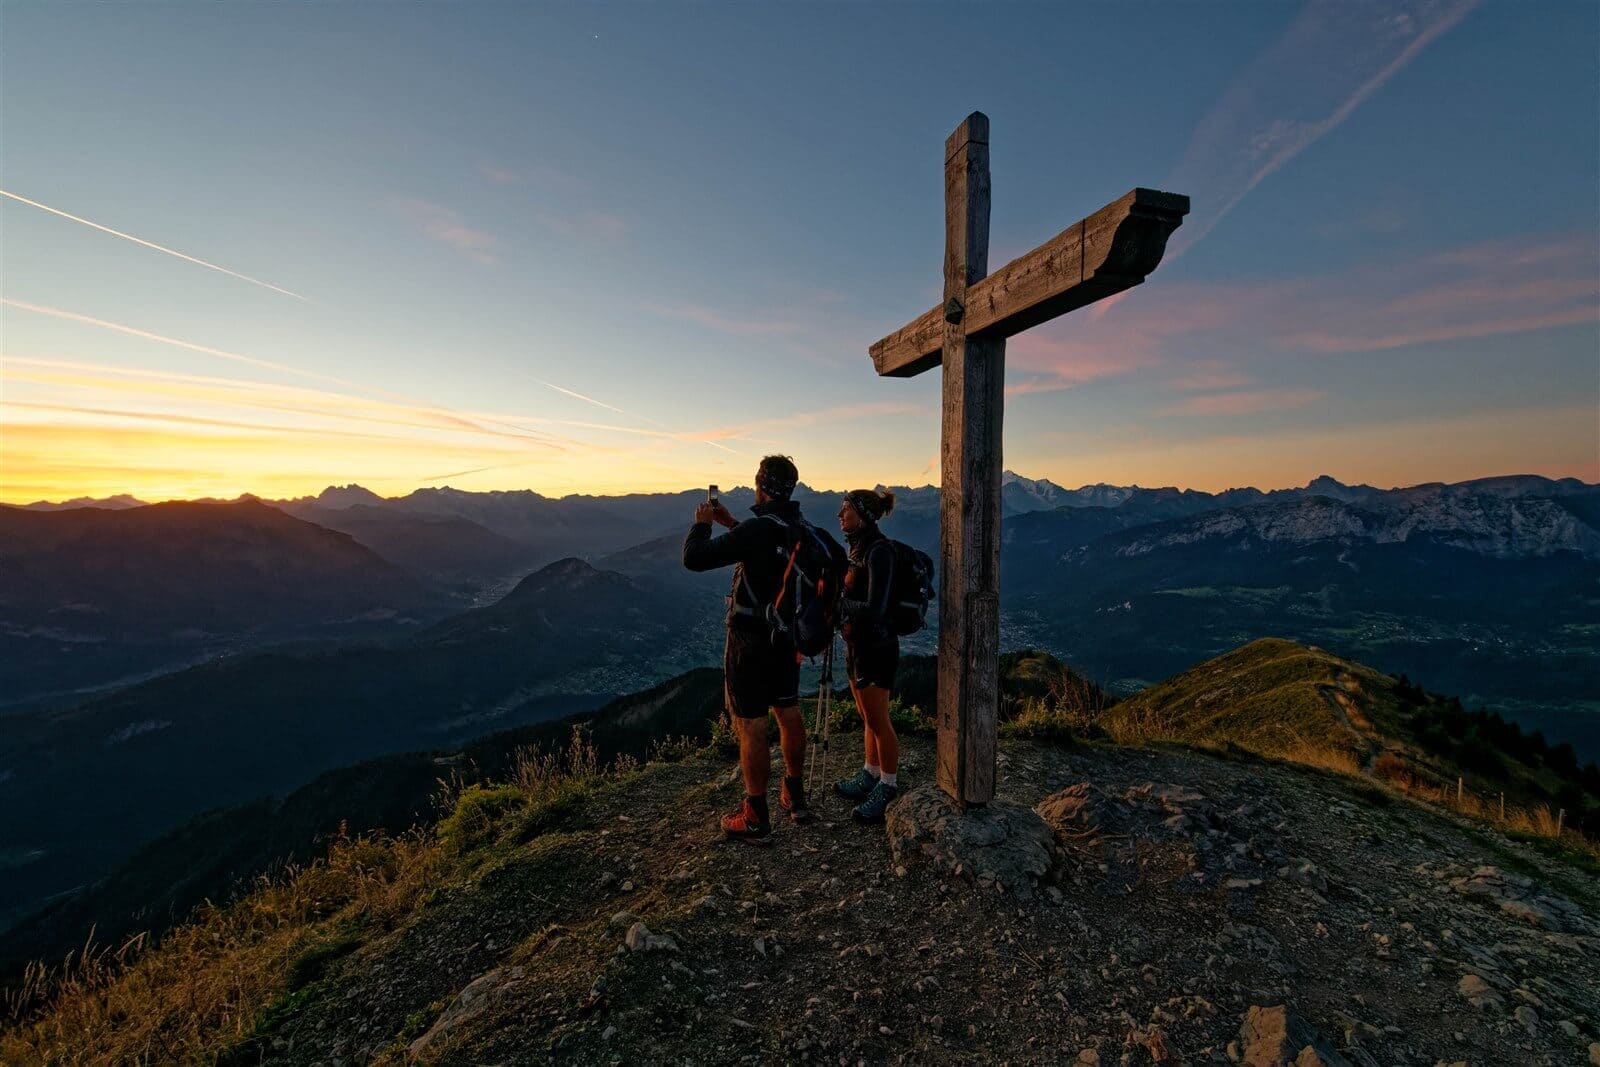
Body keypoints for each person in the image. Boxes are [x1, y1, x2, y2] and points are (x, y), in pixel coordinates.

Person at [682, 455, 814, 844]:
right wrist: (732, 524)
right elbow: (765, 552)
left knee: (752, 723)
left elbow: (694, 559)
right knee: (788, 712)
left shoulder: (760, 529)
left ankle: (755, 815)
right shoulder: (797, 526)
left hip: (751, 641)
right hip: (786, 638)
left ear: (760, 485)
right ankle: (795, 795)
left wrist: (702, 525)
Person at [833, 488, 901, 822]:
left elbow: (878, 607)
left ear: (862, 514)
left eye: (844, 508)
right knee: (866, 717)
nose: (839, 514)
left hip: (877, 646)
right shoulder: (859, 547)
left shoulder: (878, 552)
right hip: (858, 645)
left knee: (878, 719)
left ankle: (888, 785)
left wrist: (840, 605)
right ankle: (870, 772)